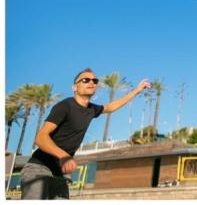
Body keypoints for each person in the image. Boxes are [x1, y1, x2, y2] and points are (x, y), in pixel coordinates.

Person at [20, 69, 150, 200]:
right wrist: (64, 156)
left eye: (95, 80)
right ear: (75, 87)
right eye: (85, 80)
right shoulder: (65, 106)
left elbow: (110, 107)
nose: (91, 82)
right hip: (38, 169)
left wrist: (136, 91)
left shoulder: (91, 109)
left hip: (59, 174)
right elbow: (40, 138)